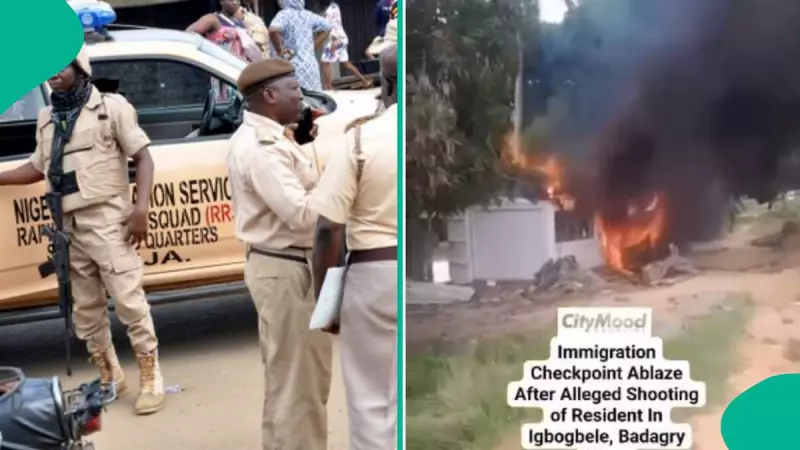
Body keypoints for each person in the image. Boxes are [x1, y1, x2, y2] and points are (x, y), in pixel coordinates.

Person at [0, 47, 164, 415]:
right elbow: (37, 168)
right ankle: (110, 377)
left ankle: (151, 377)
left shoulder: (110, 107)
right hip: (68, 228)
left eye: (60, 66)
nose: (52, 74)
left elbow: (143, 157)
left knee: (129, 302)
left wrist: (141, 209)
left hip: (108, 222)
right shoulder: (47, 118)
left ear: (80, 67)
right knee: (86, 311)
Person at [227, 58, 332, 450]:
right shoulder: (263, 150)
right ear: (270, 96)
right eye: (294, 90)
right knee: (300, 385)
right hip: (287, 268)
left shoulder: (273, 138)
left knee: (289, 379)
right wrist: (341, 183)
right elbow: (303, 215)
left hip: (283, 264)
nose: (301, 98)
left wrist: (298, 143)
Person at [310, 43, 398, 450]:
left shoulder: (362, 139)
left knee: (370, 401)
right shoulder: (448, 135)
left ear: (387, 84)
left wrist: (325, 302)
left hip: (374, 277)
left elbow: (328, 228)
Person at [187, 0, 263, 99]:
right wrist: (204, 53)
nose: (235, 2)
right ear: (221, 1)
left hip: (240, 71)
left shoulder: (239, 22)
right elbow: (188, 34)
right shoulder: (212, 19)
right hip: (222, 72)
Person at [268, 0, 332, 91]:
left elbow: (273, 30)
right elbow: (328, 26)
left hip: (291, 67)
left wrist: (280, 51)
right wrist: (313, 45)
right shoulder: (308, 15)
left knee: (294, 97)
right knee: (313, 97)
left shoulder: (284, 14)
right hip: (310, 67)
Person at [321, 1, 371, 90]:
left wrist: (333, 41)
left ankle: (329, 88)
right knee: (346, 64)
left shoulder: (329, 11)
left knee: (325, 63)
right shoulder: (335, 7)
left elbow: (330, 26)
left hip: (336, 39)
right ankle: (365, 81)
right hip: (342, 38)